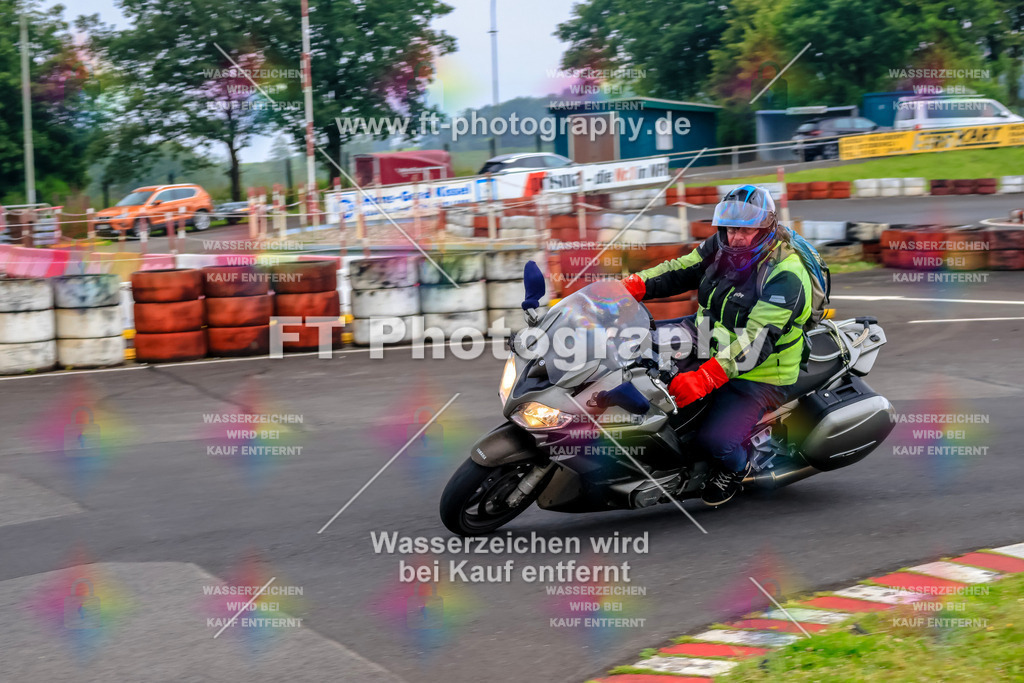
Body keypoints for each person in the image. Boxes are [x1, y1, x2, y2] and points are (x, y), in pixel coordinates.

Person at [621, 184, 814, 506]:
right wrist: (633, 285)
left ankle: (737, 470)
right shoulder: (722, 246)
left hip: (761, 373)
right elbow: (681, 269)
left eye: (745, 230)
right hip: (707, 339)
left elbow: (757, 341)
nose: (735, 237)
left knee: (715, 442)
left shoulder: (786, 274)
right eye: (729, 229)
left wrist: (706, 377)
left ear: (765, 228)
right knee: (635, 355)